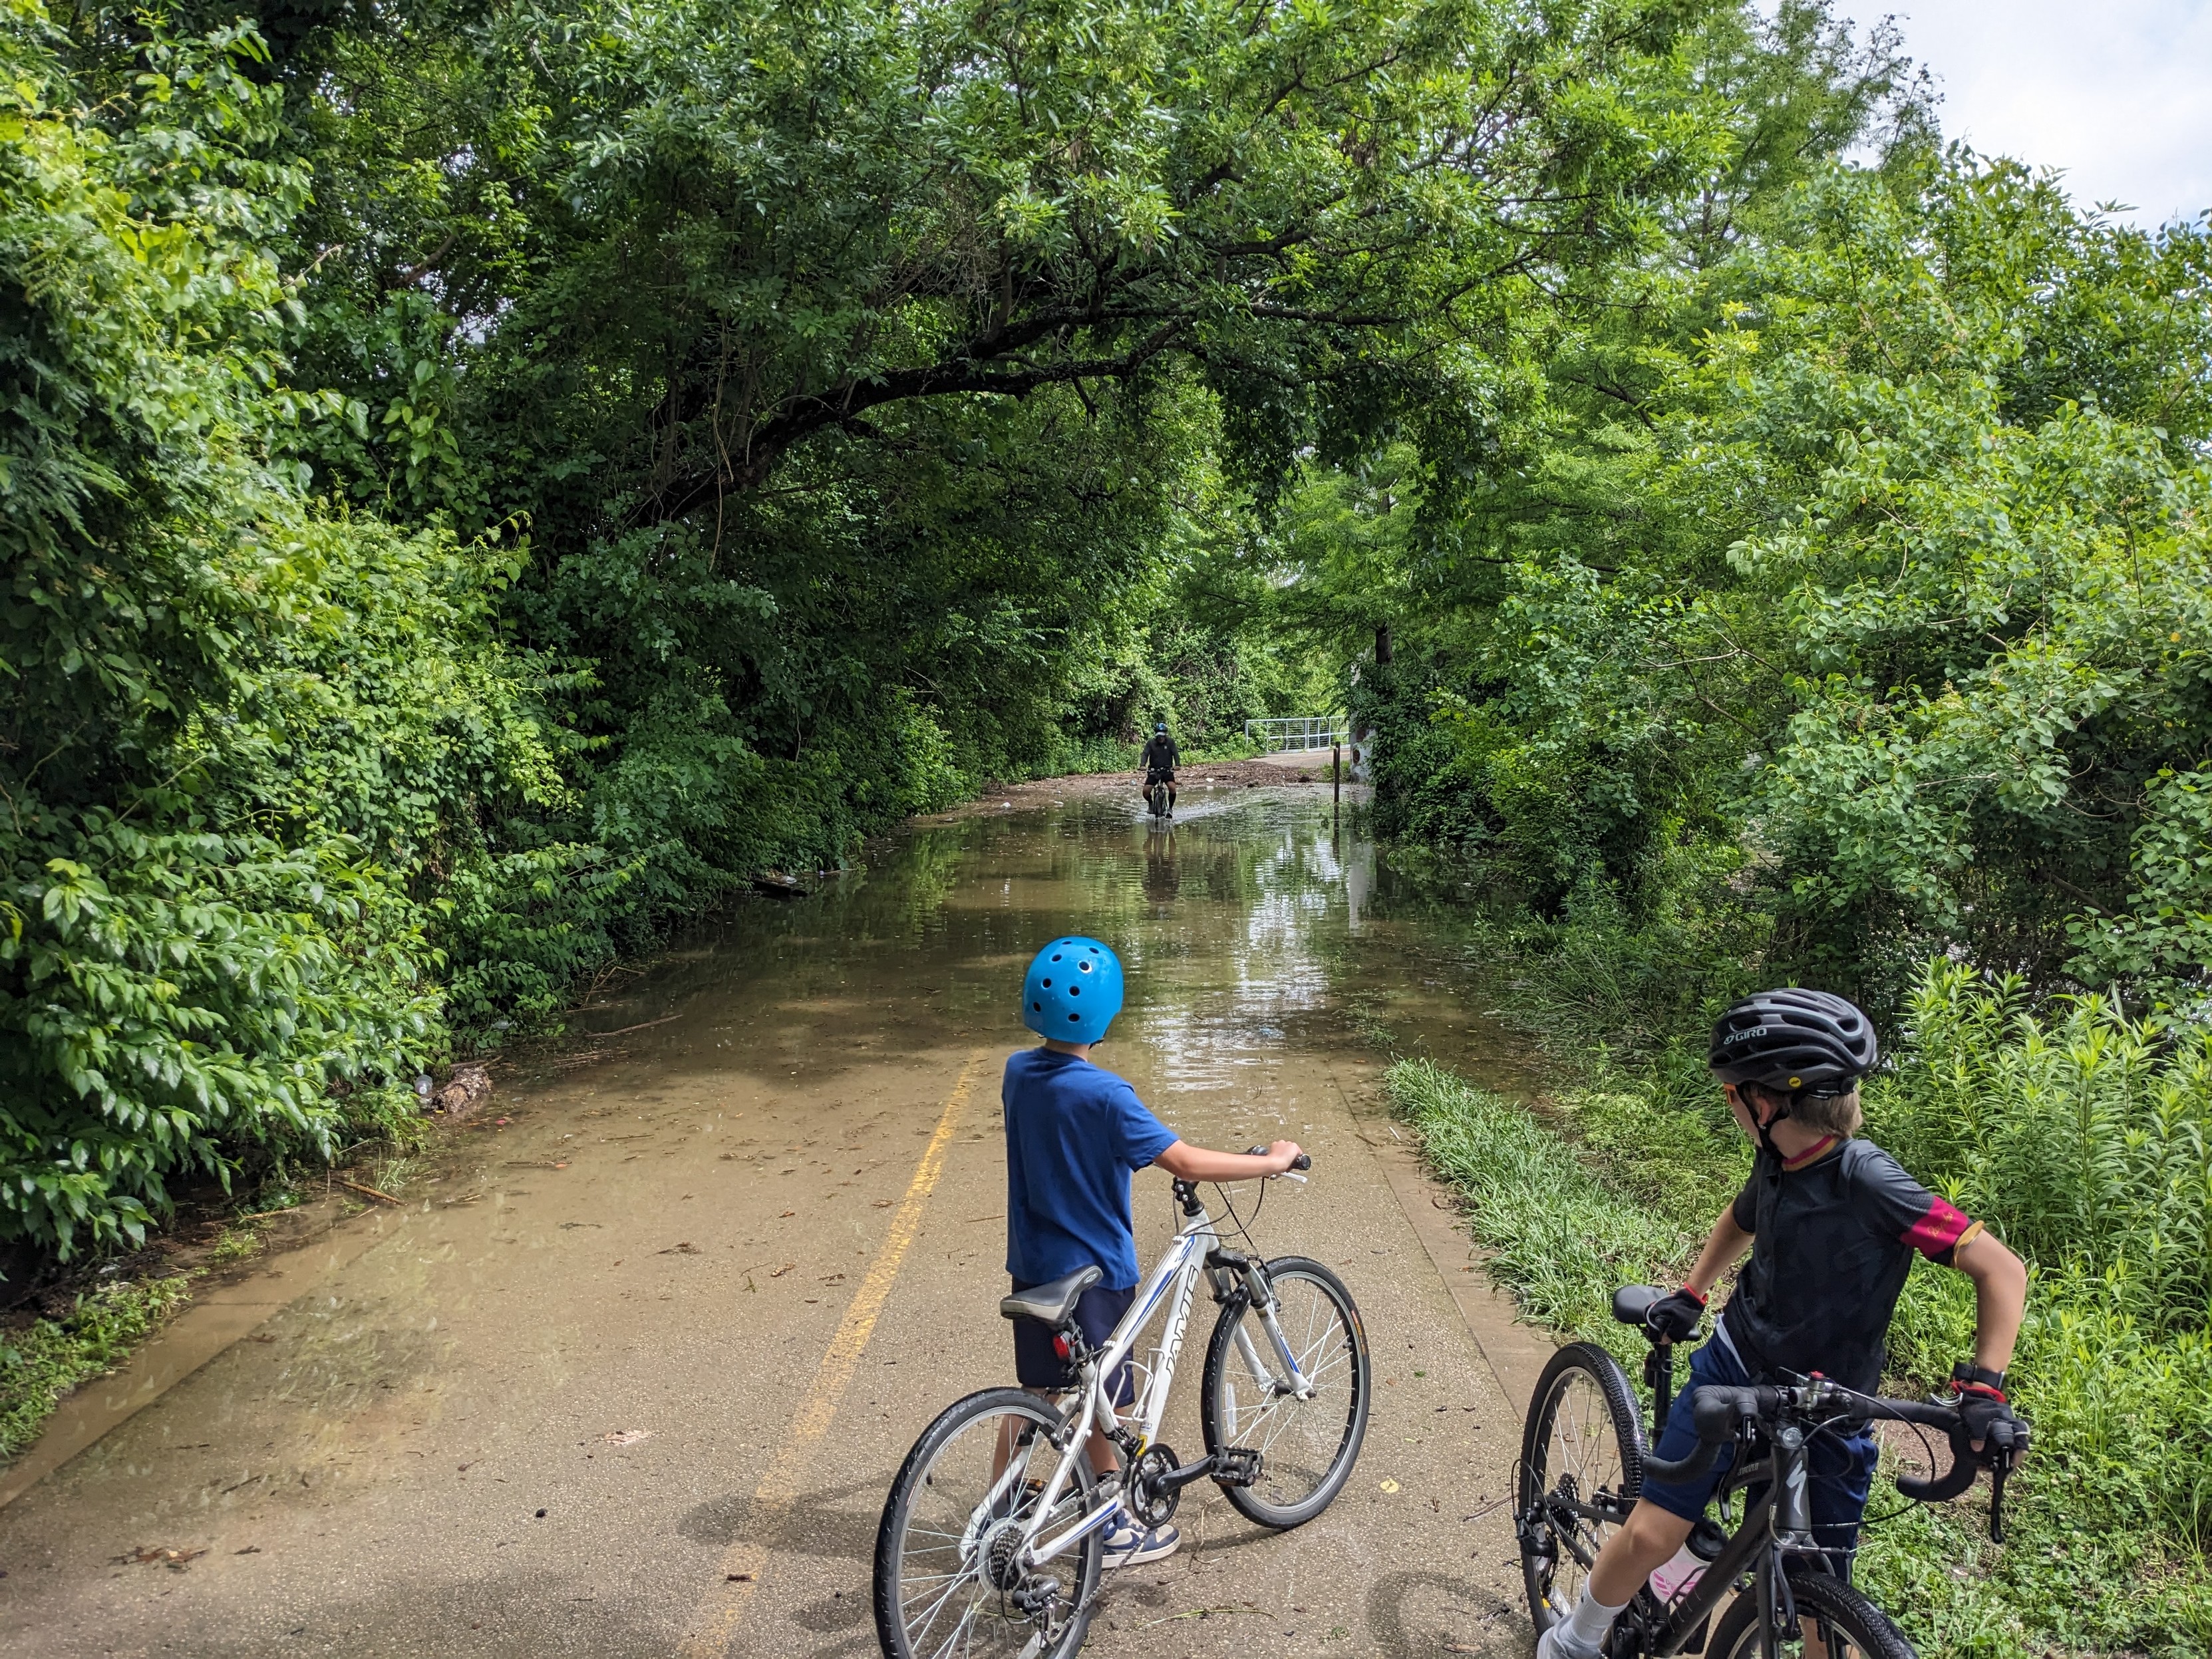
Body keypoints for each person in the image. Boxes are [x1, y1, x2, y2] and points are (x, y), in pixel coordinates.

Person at [1537, 988, 2028, 1659]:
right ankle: (1575, 1639)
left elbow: (2000, 1269)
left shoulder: (1867, 1178)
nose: (1728, 1104)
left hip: (1831, 1403)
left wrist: (1986, 1389)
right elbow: (1743, 1216)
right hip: (1737, 1366)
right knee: (1655, 1534)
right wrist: (1693, 1290)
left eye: (1729, 1094)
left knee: (1818, 1604)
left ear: (1762, 1106)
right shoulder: (1778, 1157)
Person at [1003, 935, 1300, 1567]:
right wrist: (1272, 1162)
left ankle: (1008, 1506)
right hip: (1093, 1276)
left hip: (1032, 1265)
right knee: (1104, 1404)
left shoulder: (1017, 1073)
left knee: (1040, 1392)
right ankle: (1110, 1528)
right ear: (1108, 1013)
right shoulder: (1108, 1096)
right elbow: (1185, 1160)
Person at [1138, 721, 1179, 814]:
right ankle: (1151, 804)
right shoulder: (1151, 743)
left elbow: (1175, 754)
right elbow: (1145, 754)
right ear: (1156, 735)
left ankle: (1170, 809)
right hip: (1154, 771)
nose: (1161, 738)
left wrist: (1177, 765)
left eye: (1163, 736)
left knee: (1172, 788)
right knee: (1146, 792)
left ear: (1165, 735)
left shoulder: (1170, 742)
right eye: (1159, 736)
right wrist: (1142, 765)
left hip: (1167, 771)